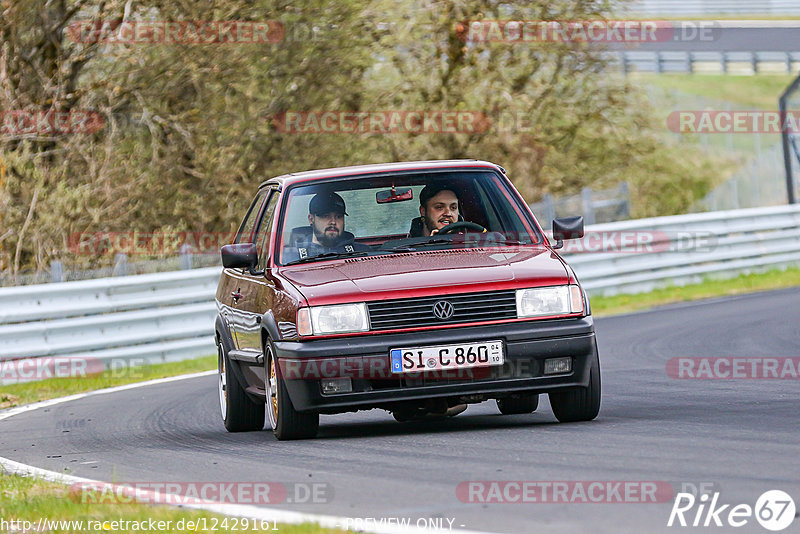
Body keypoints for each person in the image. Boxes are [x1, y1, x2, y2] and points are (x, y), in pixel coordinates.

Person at [283, 192, 369, 262]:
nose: (333, 222)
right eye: (325, 216)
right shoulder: (291, 257)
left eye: (338, 216)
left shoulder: (362, 252)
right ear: (311, 219)